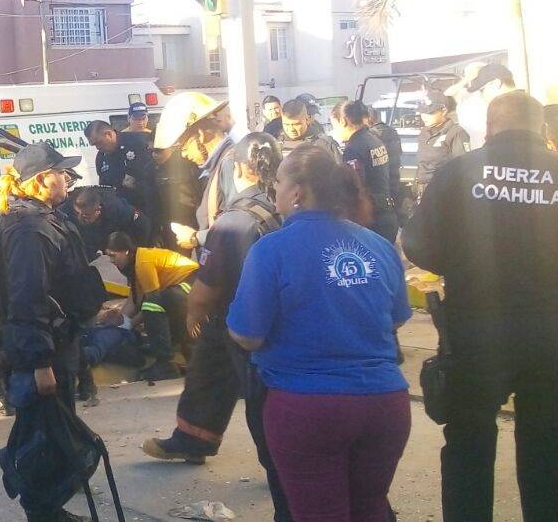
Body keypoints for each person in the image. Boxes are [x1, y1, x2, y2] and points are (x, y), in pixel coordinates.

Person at [229, 144, 412, 522]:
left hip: (307, 409)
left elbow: (249, 335)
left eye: (278, 182)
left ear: (296, 192)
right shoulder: (377, 245)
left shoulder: (271, 250)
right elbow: (395, 319)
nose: (274, 189)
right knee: (371, 510)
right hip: (385, 404)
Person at [403, 91, 558, 522]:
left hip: (476, 330)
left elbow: (417, 243)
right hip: (551, 332)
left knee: (469, 441)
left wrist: (462, 262)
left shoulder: (458, 172)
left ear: (489, 128)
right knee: (547, 443)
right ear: (540, 129)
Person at [142, 134, 283, 482]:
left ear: (235, 170)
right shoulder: (277, 208)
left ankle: (283, 469)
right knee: (208, 371)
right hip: (263, 318)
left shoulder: (234, 221)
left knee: (260, 398)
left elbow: (206, 287)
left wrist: (194, 311)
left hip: (240, 321)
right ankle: (193, 438)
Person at [0, 142, 102, 522]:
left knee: (50, 430)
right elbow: (28, 298)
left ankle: (47, 509)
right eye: (62, 172)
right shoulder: (31, 228)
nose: (68, 179)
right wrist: (41, 362)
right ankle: (41, 511)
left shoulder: (39, 218)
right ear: (43, 180)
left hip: (56, 343)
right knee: (46, 435)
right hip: (46, 349)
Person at [103, 231, 196, 380]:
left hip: (191, 284)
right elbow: (135, 299)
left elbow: (151, 301)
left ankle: (165, 363)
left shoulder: (143, 263)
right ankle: (164, 348)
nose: (111, 260)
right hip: (180, 288)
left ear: (126, 252)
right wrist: (121, 321)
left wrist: (130, 325)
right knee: (154, 304)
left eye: (113, 255)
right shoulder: (136, 262)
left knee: (152, 307)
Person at [153, 92, 235, 251]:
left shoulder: (231, 165)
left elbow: (239, 227)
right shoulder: (219, 166)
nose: (183, 154)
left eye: (183, 146)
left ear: (200, 135)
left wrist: (194, 238)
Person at [331, 100, 398, 243]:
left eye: (333, 125)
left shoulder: (354, 148)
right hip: (386, 212)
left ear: (342, 121)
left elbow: (354, 185)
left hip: (371, 219)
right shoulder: (375, 140)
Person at [85, 120, 158, 237]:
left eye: (99, 142)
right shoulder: (101, 158)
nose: (98, 147)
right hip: (123, 217)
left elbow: (154, 176)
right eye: (94, 145)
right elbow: (105, 189)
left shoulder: (137, 142)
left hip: (149, 211)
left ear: (108, 134)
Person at [414, 91, 470, 200]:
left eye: (429, 112)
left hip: (443, 193)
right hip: (423, 193)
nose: (424, 116)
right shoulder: (424, 133)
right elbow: (421, 163)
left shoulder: (455, 133)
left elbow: (463, 167)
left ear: (443, 111)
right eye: (422, 112)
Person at [449, 61, 516, 149]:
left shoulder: (515, 109)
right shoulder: (467, 99)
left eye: (482, 90)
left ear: (496, 83)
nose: (482, 95)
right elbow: (447, 96)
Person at [69, 186, 149, 255]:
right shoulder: (84, 212)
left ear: (98, 210)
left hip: (137, 229)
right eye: (77, 213)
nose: (79, 218)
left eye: (85, 216)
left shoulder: (117, 210)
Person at [364, 105, 406, 218]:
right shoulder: (393, 132)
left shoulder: (371, 136)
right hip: (395, 179)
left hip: (381, 186)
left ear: (368, 119)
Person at [276, 98, 340, 157]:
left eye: (297, 124)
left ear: (307, 119)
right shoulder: (276, 145)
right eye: (286, 124)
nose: (291, 129)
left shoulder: (324, 145)